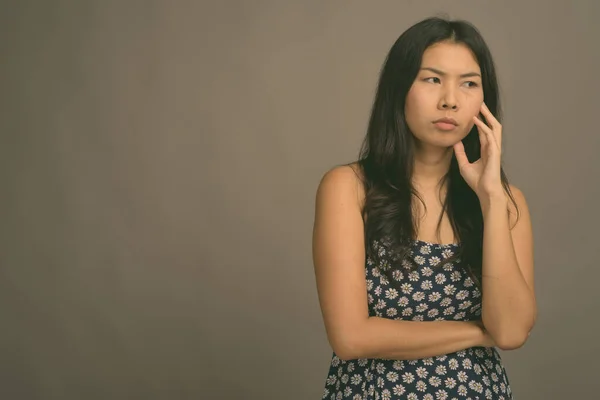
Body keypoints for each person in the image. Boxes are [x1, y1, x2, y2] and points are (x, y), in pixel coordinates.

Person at [312, 16, 536, 400]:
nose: (450, 100)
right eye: (433, 79)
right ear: (399, 88)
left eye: (469, 83)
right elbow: (350, 337)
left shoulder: (505, 202)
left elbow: (512, 331)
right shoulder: (348, 188)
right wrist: (477, 332)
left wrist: (492, 199)